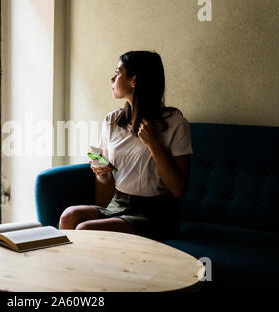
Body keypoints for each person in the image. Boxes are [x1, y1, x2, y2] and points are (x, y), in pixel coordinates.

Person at [59, 51, 193, 241]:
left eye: (118, 72)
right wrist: (103, 173)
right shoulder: (112, 120)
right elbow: (108, 180)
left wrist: (154, 145)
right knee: (69, 216)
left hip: (155, 212)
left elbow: (178, 189)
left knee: (85, 229)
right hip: (119, 203)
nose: (112, 78)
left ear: (134, 81)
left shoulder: (175, 123)